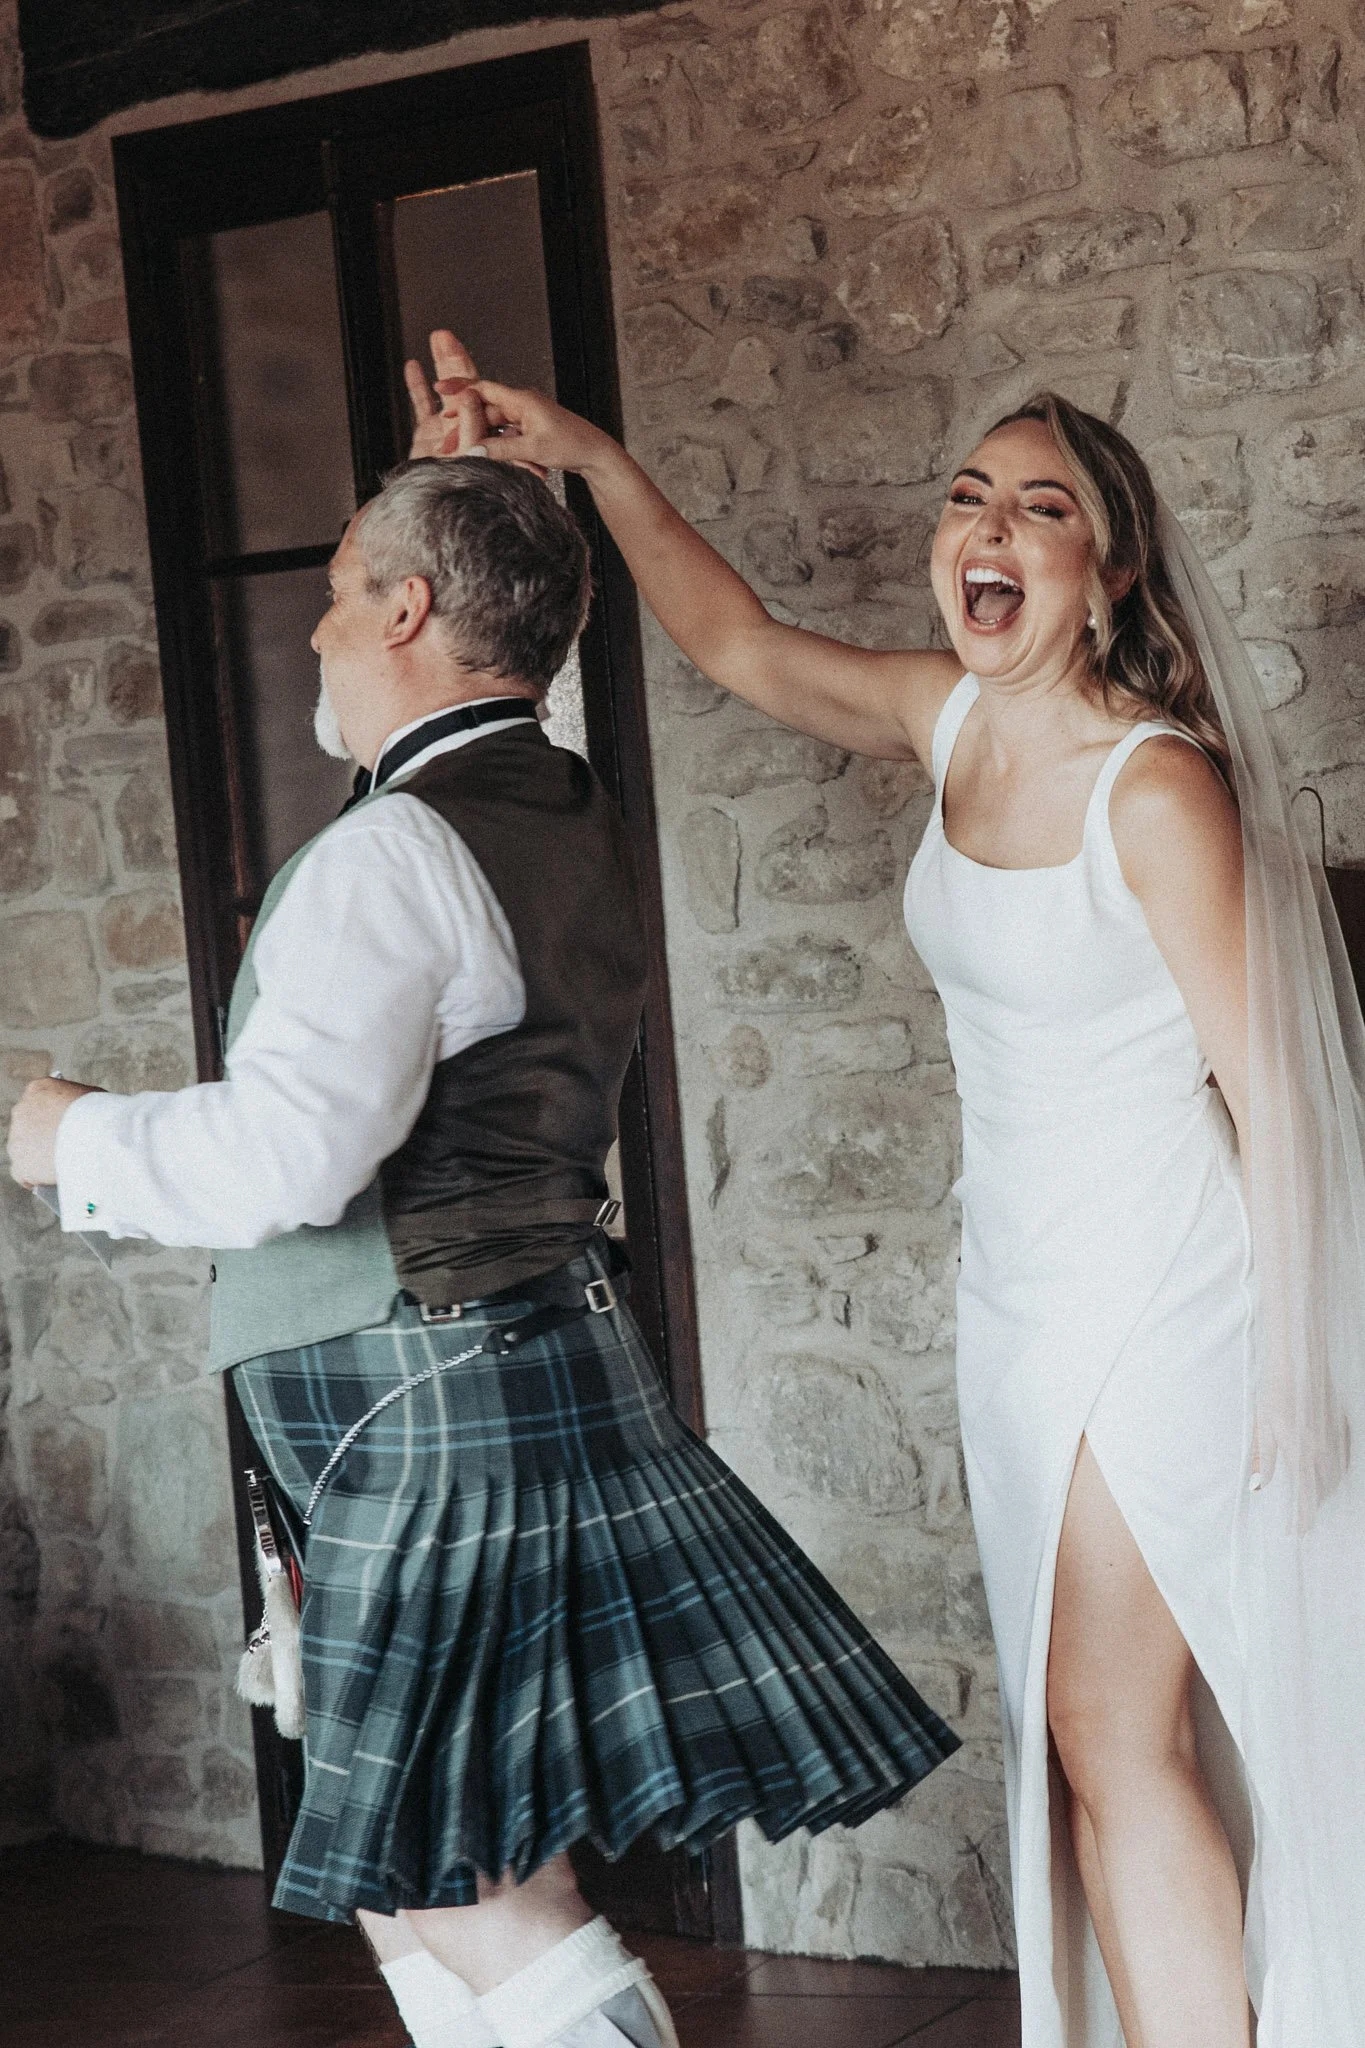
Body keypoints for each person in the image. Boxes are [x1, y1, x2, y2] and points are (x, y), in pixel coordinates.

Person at [411, 340, 1365, 2048]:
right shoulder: (954, 720)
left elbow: (1282, 1104)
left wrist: (1311, 1375)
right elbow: (735, 644)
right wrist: (586, 456)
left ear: (1112, 568)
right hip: (1015, 1295)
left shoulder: (1157, 789)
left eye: (1045, 506)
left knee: (1115, 1733)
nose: (989, 527)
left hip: (1162, 1298)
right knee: (1094, 1746)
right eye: (969, 499)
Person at [7, 449, 961, 2048]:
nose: (311, 637)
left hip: (429, 1403)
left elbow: (285, 1161)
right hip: (497, 1370)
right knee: (405, 1860)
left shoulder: (391, 856)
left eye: (332, 599)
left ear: (407, 608)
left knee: (470, 1878)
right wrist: (480, 487)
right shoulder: (562, 808)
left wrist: (66, 1140)